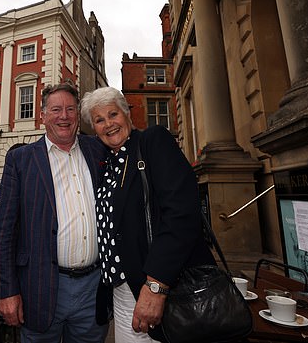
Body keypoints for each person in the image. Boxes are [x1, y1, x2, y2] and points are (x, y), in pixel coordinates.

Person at [80, 87, 216, 342]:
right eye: (99, 120)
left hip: (161, 287)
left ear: (127, 115)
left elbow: (182, 215)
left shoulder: (153, 142)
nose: (108, 124)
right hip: (122, 290)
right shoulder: (108, 164)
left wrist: (156, 286)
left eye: (113, 114)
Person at [0, 82, 108, 343]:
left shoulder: (98, 150)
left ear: (78, 115)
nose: (64, 116)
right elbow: (3, 233)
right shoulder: (21, 160)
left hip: (94, 287)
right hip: (40, 287)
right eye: (56, 109)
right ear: (42, 115)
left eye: (70, 109)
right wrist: (7, 292)